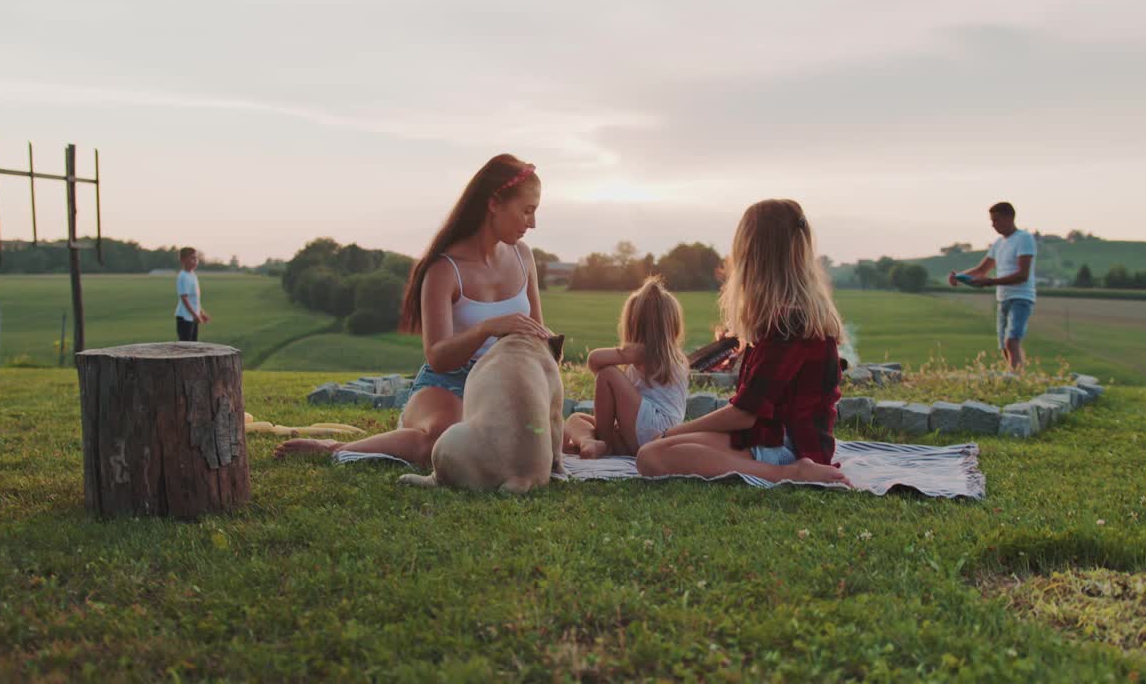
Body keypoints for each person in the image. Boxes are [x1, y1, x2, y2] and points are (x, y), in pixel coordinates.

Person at [274, 154, 552, 465]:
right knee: (441, 443)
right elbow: (437, 355)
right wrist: (487, 328)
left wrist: (548, 346)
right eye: (527, 211)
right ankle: (334, 447)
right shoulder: (444, 270)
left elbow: (538, 333)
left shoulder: (523, 257)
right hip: (449, 382)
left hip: (504, 381)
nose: (533, 223)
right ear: (494, 203)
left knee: (540, 442)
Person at [635, 199, 849, 486]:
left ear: (753, 254)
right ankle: (779, 469)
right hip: (769, 438)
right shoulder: (792, 317)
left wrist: (673, 432)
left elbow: (744, 414)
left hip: (787, 449)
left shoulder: (788, 324)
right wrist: (676, 435)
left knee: (652, 457)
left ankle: (787, 475)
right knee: (652, 453)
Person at [563, 276, 689, 459]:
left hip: (654, 428)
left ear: (633, 324)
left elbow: (594, 360)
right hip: (653, 434)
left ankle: (603, 442)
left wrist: (624, 352)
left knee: (608, 374)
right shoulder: (673, 358)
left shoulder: (645, 353)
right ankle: (588, 442)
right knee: (577, 419)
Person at [947, 201, 1037, 369]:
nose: (993, 225)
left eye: (996, 220)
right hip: (1003, 298)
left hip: (1021, 297)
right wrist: (958, 276)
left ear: (1009, 218)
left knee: (1012, 340)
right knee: (1004, 345)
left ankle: (1016, 379)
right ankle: (1014, 374)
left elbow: (1023, 275)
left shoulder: (1024, 239)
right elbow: (982, 269)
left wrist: (991, 282)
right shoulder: (998, 243)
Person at [175, 247, 209, 341]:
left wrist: (201, 313)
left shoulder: (193, 275)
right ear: (183, 260)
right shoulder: (183, 276)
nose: (195, 261)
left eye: (196, 258)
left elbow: (195, 299)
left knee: (194, 345)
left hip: (192, 317)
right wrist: (195, 315)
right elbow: (185, 299)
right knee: (185, 347)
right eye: (192, 258)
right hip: (184, 317)